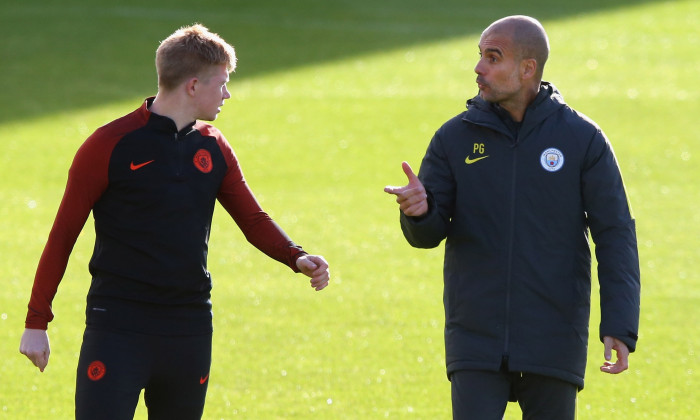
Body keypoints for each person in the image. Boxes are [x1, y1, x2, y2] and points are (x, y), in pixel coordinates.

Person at [19, 24, 330, 420]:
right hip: (118, 328)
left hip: (189, 328)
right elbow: (63, 235)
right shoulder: (108, 145)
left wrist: (296, 256)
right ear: (194, 86)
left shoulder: (214, 146)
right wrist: (35, 321)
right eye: (223, 83)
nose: (228, 94)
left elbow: (253, 219)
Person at [384, 15, 640, 420]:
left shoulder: (581, 139)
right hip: (476, 338)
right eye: (480, 56)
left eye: (493, 57)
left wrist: (620, 324)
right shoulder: (454, 138)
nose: (478, 68)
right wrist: (420, 211)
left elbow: (615, 233)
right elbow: (428, 234)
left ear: (527, 68)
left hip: (553, 336)